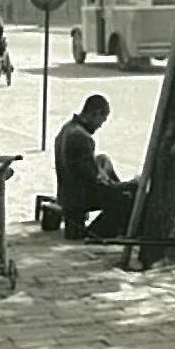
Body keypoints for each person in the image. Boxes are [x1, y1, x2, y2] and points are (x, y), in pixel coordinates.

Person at [54, 93, 138, 239]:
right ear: (95, 114)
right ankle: (96, 232)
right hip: (77, 197)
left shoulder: (68, 128)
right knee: (128, 195)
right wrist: (125, 186)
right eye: (102, 120)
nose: (100, 126)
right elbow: (95, 181)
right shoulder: (82, 138)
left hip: (68, 191)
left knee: (103, 159)